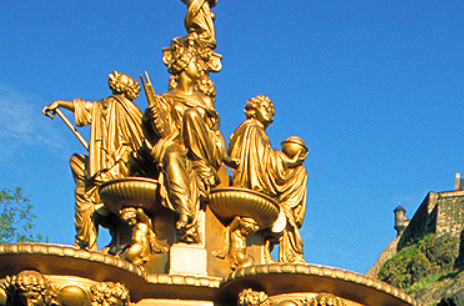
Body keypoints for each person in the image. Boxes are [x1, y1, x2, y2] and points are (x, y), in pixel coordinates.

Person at [43, 71, 147, 251]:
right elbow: (85, 107)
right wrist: (59, 104)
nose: (114, 82)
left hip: (120, 165)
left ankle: (85, 243)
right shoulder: (108, 106)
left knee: (87, 193)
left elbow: (87, 108)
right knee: (77, 164)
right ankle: (85, 243)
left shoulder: (120, 108)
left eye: (117, 81)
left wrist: (59, 103)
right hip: (108, 163)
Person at [145, 35, 225, 243]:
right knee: (171, 155)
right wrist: (155, 115)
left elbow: (216, 134)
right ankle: (184, 212)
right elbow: (162, 132)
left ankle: (201, 168)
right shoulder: (166, 99)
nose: (199, 67)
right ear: (183, 66)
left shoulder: (205, 101)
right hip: (178, 147)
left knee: (191, 116)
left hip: (205, 153)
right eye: (194, 63)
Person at [226, 95, 308, 263]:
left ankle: (287, 211)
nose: (270, 113)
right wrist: (288, 160)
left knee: (300, 172)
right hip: (254, 182)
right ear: (253, 111)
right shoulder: (251, 129)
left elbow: (265, 157)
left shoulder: (258, 132)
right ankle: (285, 213)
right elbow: (261, 159)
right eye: (265, 108)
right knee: (298, 171)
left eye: (272, 110)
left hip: (266, 176)